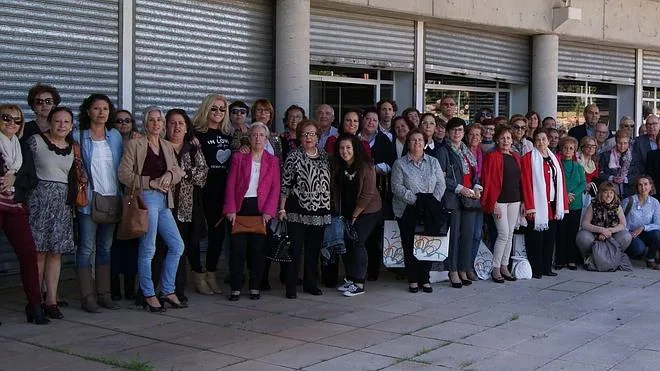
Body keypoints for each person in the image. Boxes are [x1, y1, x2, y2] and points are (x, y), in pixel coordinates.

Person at [118, 106, 186, 312]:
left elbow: (178, 170)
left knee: (177, 245)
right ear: (145, 124)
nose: (156, 124)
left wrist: (169, 176)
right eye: (152, 120)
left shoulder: (166, 145)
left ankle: (167, 289)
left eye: (159, 120)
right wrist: (150, 183)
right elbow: (123, 174)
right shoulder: (135, 144)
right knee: (148, 248)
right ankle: (148, 293)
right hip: (146, 198)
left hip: (165, 200)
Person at [151, 109, 208, 303]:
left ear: (186, 127)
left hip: (185, 207)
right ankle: (151, 292)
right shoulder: (157, 146)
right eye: (172, 123)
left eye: (181, 123)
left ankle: (176, 291)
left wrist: (183, 173)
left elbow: (202, 175)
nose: (176, 127)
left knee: (179, 250)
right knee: (157, 250)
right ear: (165, 126)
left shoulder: (192, 148)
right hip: (161, 205)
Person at [73, 94, 124, 313]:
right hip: (89, 200)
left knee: (105, 248)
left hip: (113, 198)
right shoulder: (79, 135)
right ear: (88, 111)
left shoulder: (114, 135)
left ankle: (104, 294)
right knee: (85, 248)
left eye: (105, 108)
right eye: (96, 108)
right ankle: (87, 296)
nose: (101, 112)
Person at [0, 104, 49, 324]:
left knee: (29, 256)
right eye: (6, 118)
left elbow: (31, 179)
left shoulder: (22, 146)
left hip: (15, 207)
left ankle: (35, 305)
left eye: (17, 120)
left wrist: (14, 179)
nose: (12, 123)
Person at [27, 106, 76, 319]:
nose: (62, 125)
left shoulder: (72, 147)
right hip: (39, 201)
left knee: (55, 253)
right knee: (39, 253)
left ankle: (51, 301)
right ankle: (35, 300)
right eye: (58, 121)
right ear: (50, 122)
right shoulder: (36, 142)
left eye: (66, 122)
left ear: (72, 125)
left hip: (62, 204)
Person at [224, 122, 280, 301]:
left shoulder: (273, 161)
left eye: (261, 135)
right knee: (237, 250)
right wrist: (230, 209)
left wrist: (269, 211)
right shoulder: (239, 158)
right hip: (241, 207)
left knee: (257, 250)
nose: (257, 138)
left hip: (261, 208)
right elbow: (231, 184)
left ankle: (255, 286)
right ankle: (236, 287)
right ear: (249, 137)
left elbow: (275, 188)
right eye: (254, 135)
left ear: (266, 138)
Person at [279, 119, 332, 298]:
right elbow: (285, 184)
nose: (308, 137)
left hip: (320, 210)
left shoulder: (325, 156)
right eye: (304, 134)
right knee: (295, 250)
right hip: (297, 210)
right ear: (299, 137)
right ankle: (291, 286)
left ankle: (311, 284)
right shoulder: (293, 156)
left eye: (312, 134)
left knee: (313, 250)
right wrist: (281, 208)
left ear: (318, 137)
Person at [391, 128, 445, 293]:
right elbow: (397, 188)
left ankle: (425, 278)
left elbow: (441, 184)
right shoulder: (399, 164)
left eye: (420, 140)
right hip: (408, 208)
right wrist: (418, 201)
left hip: (430, 209)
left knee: (427, 243)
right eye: (413, 140)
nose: (417, 143)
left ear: (425, 143)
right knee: (409, 245)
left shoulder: (433, 162)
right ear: (408, 143)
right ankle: (413, 279)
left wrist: (430, 202)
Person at [332, 133, 382, 297]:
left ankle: (359, 282)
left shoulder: (366, 166)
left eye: (348, 147)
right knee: (346, 243)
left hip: (367, 211)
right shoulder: (339, 165)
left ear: (355, 149)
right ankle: (350, 279)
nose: (344, 151)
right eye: (341, 147)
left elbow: (367, 194)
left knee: (357, 242)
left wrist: (354, 215)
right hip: (346, 211)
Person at [192, 94, 232, 294]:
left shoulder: (228, 135)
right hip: (199, 191)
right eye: (214, 108)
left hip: (221, 191)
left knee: (217, 235)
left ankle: (211, 273)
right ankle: (197, 275)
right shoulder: (196, 134)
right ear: (206, 109)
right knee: (195, 235)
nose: (218, 112)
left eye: (222, 109)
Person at [437, 118, 482, 288]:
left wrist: (477, 187)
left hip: (470, 198)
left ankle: (464, 268)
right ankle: (453, 270)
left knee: (468, 236)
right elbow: (441, 177)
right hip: (454, 198)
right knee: (454, 237)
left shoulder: (466, 151)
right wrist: (460, 188)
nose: (457, 133)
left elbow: (475, 174)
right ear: (448, 132)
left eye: (460, 130)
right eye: (454, 130)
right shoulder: (443, 151)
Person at [520, 128, 569, 279]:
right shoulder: (528, 158)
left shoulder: (555, 158)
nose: (541, 142)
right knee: (536, 238)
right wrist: (529, 205)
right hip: (537, 204)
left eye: (544, 139)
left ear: (548, 141)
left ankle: (547, 267)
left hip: (553, 203)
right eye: (538, 140)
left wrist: (564, 203)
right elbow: (526, 183)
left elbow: (560, 181)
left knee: (549, 237)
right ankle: (536, 269)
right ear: (534, 142)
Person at [481, 124, 520, 282]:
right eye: (502, 138)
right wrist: (493, 202)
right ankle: (496, 268)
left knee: (510, 235)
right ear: (496, 139)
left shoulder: (515, 156)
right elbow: (488, 181)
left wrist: (523, 202)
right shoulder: (492, 156)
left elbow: (520, 180)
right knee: (502, 234)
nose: (506, 140)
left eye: (508, 138)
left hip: (514, 199)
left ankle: (505, 266)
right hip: (499, 200)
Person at [360, 108, 396, 280]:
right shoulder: (355, 139)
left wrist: (375, 169)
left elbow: (392, 163)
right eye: (368, 119)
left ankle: (372, 270)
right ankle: (358, 268)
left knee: (374, 234)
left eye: (374, 120)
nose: (371, 122)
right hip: (357, 191)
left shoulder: (384, 140)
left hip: (378, 191)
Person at [110, 110, 139, 302]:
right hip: (111, 198)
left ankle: (130, 287)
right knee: (113, 246)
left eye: (127, 121)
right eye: (119, 121)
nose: (123, 124)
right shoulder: (108, 142)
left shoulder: (139, 142)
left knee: (132, 243)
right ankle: (113, 288)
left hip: (132, 198)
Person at [576, 182, 631, 261]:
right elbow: (585, 224)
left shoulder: (617, 206)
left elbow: (623, 224)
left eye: (611, 192)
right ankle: (589, 259)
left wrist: (608, 231)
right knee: (582, 236)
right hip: (594, 234)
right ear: (601, 193)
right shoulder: (593, 204)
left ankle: (614, 258)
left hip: (612, 234)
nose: (609, 196)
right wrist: (601, 230)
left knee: (626, 236)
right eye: (606, 192)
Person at [555, 137, 586, 270]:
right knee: (561, 232)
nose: (568, 150)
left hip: (575, 203)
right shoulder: (556, 164)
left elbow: (583, 183)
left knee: (572, 232)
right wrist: (565, 195)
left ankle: (571, 259)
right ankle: (560, 259)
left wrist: (573, 194)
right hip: (561, 203)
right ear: (561, 149)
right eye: (566, 147)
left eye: (571, 148)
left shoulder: (578, 166)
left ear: (575, 151)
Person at [621, 176, 660, 266]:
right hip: (630, 234)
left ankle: (650, 258)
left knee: (657, 234)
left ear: (650, 186)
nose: (643, 188)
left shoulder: (655, 203)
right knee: (638, 249)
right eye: (640, 185)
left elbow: (658, 224)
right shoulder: (628, 201)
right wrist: (628, 233)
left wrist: (643, 227)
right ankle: (625, 255)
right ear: (637, 187)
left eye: (646, 184)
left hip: (645, 233)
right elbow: (619, 220)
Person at [465, 123, 485, 280]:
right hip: (464, 198)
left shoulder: (482, 154)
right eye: (472, 134)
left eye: (478, 135)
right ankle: (464, 267)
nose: (474, 137)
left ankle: (470, 265)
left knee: (477, 234)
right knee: (466, 234)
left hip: (480, 199)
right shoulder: (462, 152)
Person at [598, 129, 633, 198]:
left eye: (625, 143)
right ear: (616, 142)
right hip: (609, 193)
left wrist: (625, 179)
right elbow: (599, 174)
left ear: (628, 143)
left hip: (628, 192)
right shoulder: (606, 155)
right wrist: (612, 178)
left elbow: (637, 173)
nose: (622, 146)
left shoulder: (633, 156)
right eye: (620, 143)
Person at [630, 115, 660, 180]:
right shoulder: (639, 142)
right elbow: (636, 163)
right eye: (648, 124)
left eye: (654, 124)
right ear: (645, 126)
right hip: (645, 179)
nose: (651, 126)